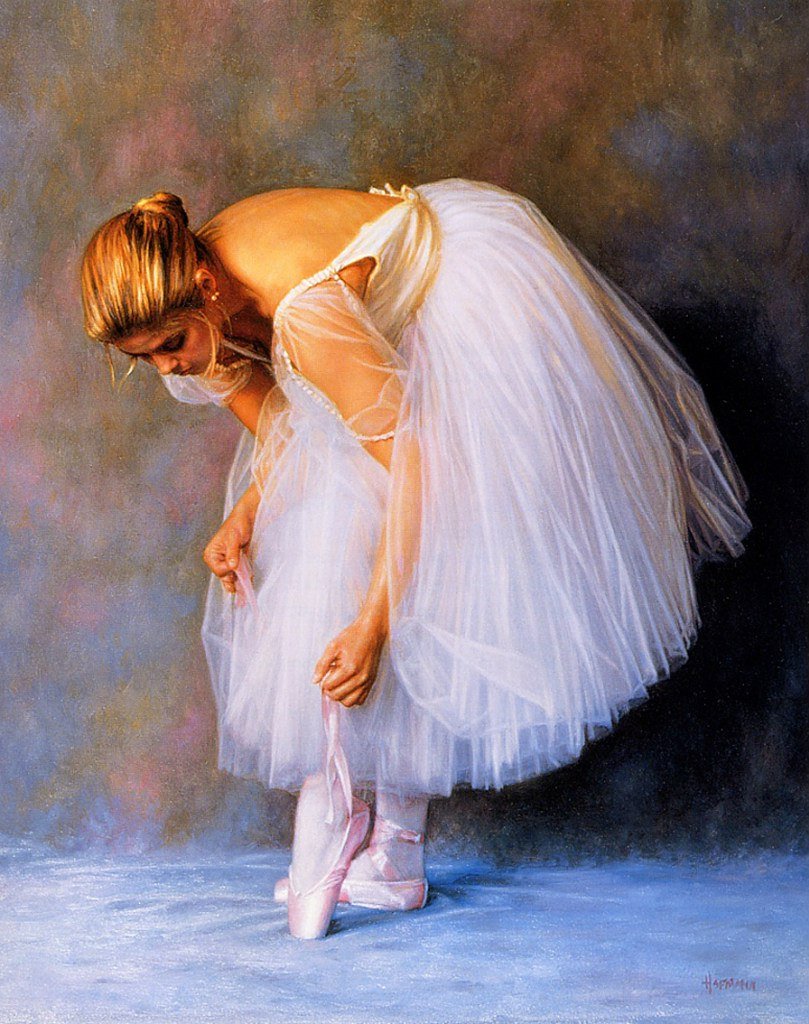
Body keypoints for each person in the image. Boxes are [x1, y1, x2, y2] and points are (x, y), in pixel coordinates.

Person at [81, 178, 752, 940]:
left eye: (170, 346)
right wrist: (245, 513)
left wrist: (372, 624)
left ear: (203, 287)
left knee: (424, 558)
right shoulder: (195, 293)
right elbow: (290, 425)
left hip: (463, 308)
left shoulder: (304, 315)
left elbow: (415, 462)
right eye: (145, 359)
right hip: (369, 347)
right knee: (337, 524)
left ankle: (388, 843)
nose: (168, 370)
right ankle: (389, 857)